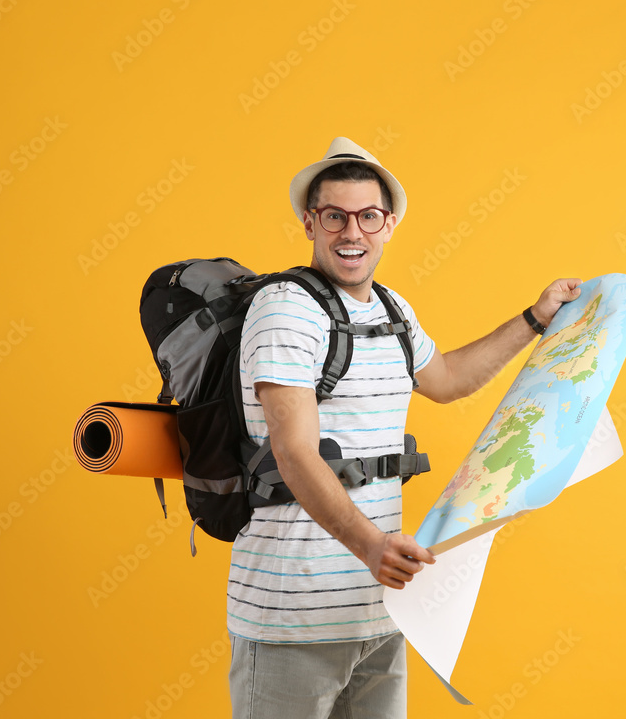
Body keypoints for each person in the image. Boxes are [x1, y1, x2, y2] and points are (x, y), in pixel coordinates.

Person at [228, 136, 582, 719]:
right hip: (293, 612)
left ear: (388, 223)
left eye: (368, 216)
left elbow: (447, 379)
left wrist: (537, 317)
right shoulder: (285, 308)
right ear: (310, 223)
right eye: (335, 216)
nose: (352, 233)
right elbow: (293, 453)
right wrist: (371, 546)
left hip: (379, 609)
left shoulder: (392, 310)